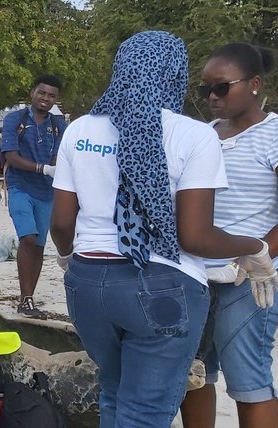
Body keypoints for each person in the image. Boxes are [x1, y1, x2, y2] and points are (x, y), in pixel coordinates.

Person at [51, 31, 277, 428]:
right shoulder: (195, 134)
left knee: (115, 393)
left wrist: (71, 261)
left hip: (87, 283)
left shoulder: (79, 129)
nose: (210, 96)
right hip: (164, 284)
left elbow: (62, 223)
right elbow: (194, 238)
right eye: (204, 87)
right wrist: (255, 248)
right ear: (174, 74)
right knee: (146, 413)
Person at [180, 43, 278, 428]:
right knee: (194, 373)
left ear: (254, 83)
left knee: (247, 378)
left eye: (221, 88)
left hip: (250, 278)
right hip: (197, 273)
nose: (212, 98)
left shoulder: (273, 135)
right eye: (205, 90)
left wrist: (255, 254)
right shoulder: (203, 136)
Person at [1, 74, 66, 319]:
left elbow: (59, 157)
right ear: (32, 93)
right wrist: (42, 168)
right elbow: (11, 157)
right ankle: (25, 298)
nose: (46, 98)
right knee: (27, 237)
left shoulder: (59, 126)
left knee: (39, 245)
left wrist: (55, 168)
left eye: (51, 95)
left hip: (47, 192)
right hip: (19, 186)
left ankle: (27, 299)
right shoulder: (15, 119)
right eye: (42, 93)